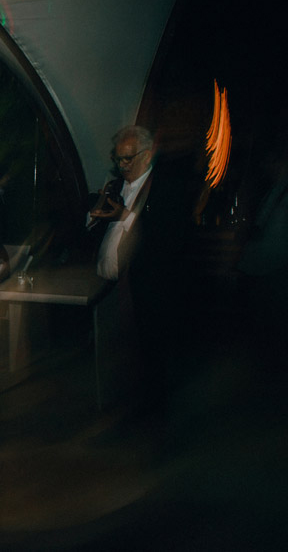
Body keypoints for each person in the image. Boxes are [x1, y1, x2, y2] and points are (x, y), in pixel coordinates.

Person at [87, 125, 192, 429]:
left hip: (148, 287)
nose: (122, 165)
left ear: (147, 156)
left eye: (128, 158)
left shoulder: (164, 188)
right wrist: (94, 214)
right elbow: (95, 227)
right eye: (117, 158)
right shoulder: (115, 186)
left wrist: (124, 216)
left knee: (148, 352)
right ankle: (120, 407)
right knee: (115, 352)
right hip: (111, 285)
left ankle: (152, 418)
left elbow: (167, 237)